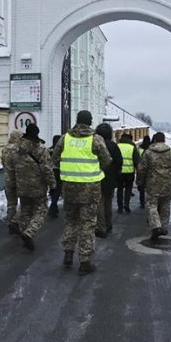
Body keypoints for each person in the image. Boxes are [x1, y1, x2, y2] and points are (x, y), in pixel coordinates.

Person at [53, 110, 112, 275]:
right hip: (90, 189)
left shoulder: (65, 138)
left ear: (77, 121)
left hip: (69, 188)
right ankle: (85, 261)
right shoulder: (95, 139)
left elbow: (55, 158)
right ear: (90, 122)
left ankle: (68, 253)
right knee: (87, 224)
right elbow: (107, 160)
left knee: (71, 221)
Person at [5, 123, 56, 251]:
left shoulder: (16, 149)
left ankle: (24, 232)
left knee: (25, 211)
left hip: (21, 187)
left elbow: (10, 168)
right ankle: (29, 232)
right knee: (41, 210)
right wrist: (53, 185)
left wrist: (12, 184)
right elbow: (47, 170)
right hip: (38, 188)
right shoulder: (41, 150)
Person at [137, 132, 171, 240]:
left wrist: (139, 182)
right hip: (167, 183)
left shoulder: (148, 153)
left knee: (152, 205)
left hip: (153, 184)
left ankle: (156, 226)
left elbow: (141, 169)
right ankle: (164, 227)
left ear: (155, 140)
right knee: (166, 205)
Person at [95, 123, 123, 238]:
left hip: (98, 177)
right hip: (111, 179)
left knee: (99, 202)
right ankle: (109, 223)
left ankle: (101, 227)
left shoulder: (96, 145)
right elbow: (119, 162)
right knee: (108, 202)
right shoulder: (113, 146)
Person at [1, 130, 22, 234]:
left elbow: (3, 163)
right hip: (18, 179)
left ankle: (10, 223)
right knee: (25, 202)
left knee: (11, 204)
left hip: (8, 180)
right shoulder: (17, 149)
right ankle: (16, 222)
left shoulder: (5, 149)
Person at [117, 133, 140, 211]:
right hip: (129, 172)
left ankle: (120, 207)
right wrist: (139, 172)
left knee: (120, 189)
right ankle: (126, 204)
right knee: (128, 189)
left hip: (119, 172)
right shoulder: (132, 147)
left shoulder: (118, 146)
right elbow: (136, 161)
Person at [48, 134, 63, 218]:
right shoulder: (61, 151)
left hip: (50, 172)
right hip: (58, 171)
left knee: (53, 190)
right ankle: (53, 206)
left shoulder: (49, 150)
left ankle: (54, 206)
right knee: (58, 189)